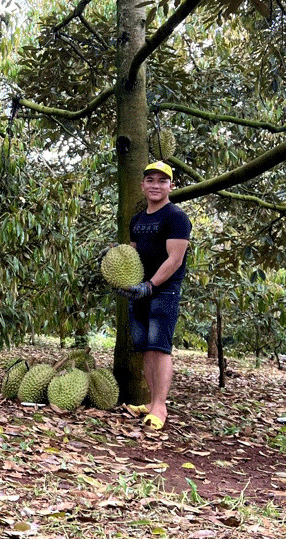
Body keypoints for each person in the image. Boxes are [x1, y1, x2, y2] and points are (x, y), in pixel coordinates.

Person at [118, 160, 191, 430]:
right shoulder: (137, 220)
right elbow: (132, 256)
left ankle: (160, 407)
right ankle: (151, 402)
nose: (156, 185)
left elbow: (175, 259)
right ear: (142, 185)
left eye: (162, 181)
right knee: (146, 348)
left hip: (164, 291)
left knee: (159, 348)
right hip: (140, 291)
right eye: (150, 180)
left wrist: (150, 285)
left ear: (171, 186)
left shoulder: (176, 217)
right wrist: (117, 257)